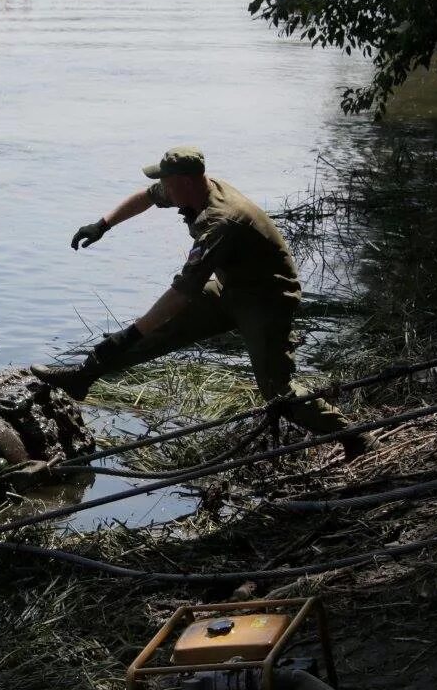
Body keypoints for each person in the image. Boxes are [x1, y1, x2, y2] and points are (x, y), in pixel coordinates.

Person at [30, 146, 380, 461]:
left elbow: (182, 292)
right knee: (158, 331)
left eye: (166, 182)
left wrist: (128, 334)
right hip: (231, 287)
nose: (162, 189)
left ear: (184, 182)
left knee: (277, 391)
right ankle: (83, 377)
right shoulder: (195, 189)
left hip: (266, 300)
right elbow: (148, 197)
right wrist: (103, 224)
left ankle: (354, 437)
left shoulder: (221, 220)